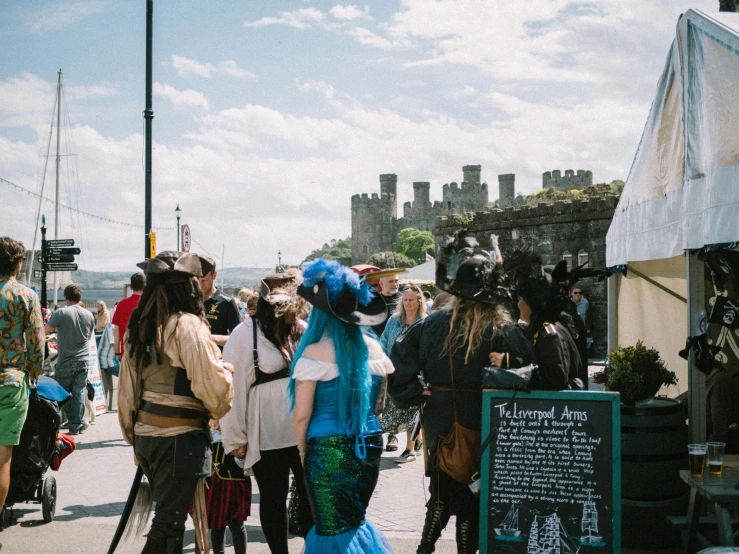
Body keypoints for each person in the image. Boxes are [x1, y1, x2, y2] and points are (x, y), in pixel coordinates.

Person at [389, 231, 535, 554]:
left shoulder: (433, 323)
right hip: (478, 419)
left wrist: (417, 393)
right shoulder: (499, 328)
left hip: (439, 418)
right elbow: (531, 369)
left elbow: (398, 362)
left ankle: (424, 549)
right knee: (470, 497)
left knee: (440, 493)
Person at [117, 251, 234, 554]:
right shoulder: (187, 325)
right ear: (187, 287)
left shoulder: (139, 327)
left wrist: (135, 436)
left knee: (171, 523)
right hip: (181, 441)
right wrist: (226, 376)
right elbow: (214, 389)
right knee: (168, 525)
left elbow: (128, 391)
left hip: (148, 438)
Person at [291, 258, 394, 553]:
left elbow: (301, 415)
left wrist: (302, 451)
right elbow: (376, 404)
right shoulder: (374, 348)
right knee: (352, 522)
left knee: (332, 527)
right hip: (369, 444)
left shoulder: (314, 351)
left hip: (327, 448)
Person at [220, 276, 314, 554]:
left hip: (304, 429)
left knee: (310, 498)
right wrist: (236, 436)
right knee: (273, 499)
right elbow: (233, 387)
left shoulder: (301, 329)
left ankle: (314, 549)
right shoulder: (244, 334)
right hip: (266, 431)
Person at [0, 237, 45, 512]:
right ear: (18, 264)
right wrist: (33, 372)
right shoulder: (26, 296)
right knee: (3, 458)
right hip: (11, 381)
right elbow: (37, 342)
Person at [493, 257, 584, 391]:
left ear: (533, 304)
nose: (519, 304)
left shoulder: (550, 334)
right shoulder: (542, 329)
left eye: (523, 299)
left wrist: (510, 363)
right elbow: (537, 361)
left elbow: (555, 377)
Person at [380, 284, 427, 463]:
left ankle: (410, 450)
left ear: (419, 301)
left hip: (416, 374)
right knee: (397, 410)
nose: (408, 303)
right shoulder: (394, 320)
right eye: (405, 300)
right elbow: (384, 340)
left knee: (413, 412)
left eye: (411, 300)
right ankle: (415, 442)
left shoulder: (425, 322)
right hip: (395, 373)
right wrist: (384, 363)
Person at [45, 284, 95, 435]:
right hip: (84, 359)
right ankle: (76, 423)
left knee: (62, 392)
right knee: (79, 392)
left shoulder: (61, 312)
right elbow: (89, 337)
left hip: (66, 359)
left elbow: (45, 331)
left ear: (65, 297)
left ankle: (74, 422)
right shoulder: (89, 315)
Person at [199, 257, 240, 348]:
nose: (200, 284)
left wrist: (209, 338)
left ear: (214, 275)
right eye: (198, 280)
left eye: (204, 280)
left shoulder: (227, 302)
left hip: (217, 359)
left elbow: (237, 338)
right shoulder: (191, 300)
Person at [112, 272, 145, 359]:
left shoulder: (121, 304)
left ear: (130, 287)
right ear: (144, 287)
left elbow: (117, 330)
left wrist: (117, 352)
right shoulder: (148, 304)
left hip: (126, 353)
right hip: (145, 354)